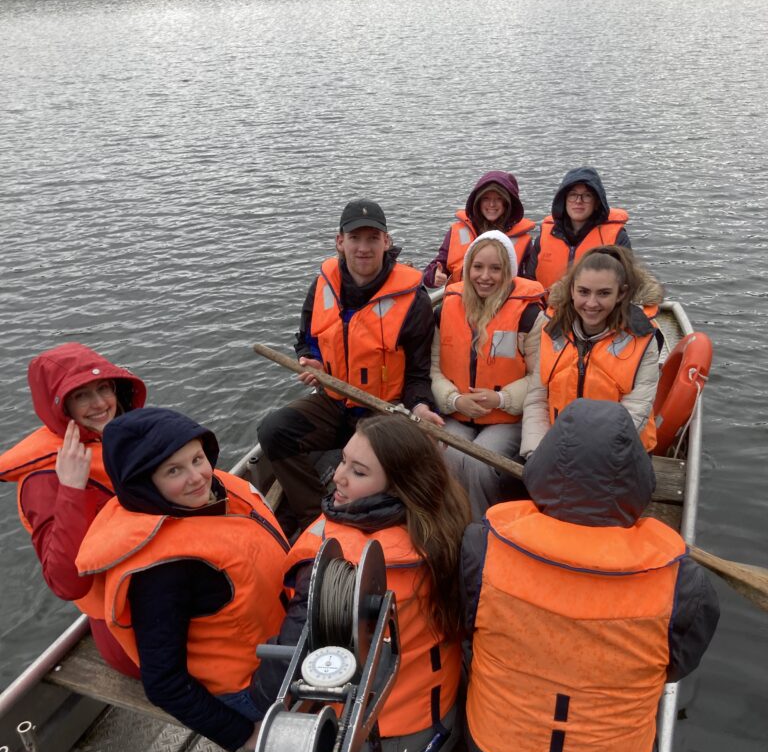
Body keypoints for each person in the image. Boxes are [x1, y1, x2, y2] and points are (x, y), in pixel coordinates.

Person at [462, 399, 719, 752]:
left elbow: (468, 628)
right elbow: (676, 668)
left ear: (543, 467)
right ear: (639, 478)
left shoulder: (481, 545)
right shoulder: (686, 582)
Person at [251, 414, 472, 752]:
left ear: (399, 486)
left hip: (374, 744)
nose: (337, 476)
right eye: (343, 460)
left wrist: (253, 707)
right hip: (440, 719)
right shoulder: (448, 522)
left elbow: (285, 669)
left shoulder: (327, 568)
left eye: (358, 472)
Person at [76, 407, 289, 752]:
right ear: (145, 483)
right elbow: (163, 683)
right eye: (174, 470)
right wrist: (242, 735)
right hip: (252, 687)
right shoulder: (164, 572)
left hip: (279, 641)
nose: (197, 478)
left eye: (197, 458)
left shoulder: (216, 495)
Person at [258, 199, 442, 533]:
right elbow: (305, 337)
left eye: (373, 238)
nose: (363, 248)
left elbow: (418, 372)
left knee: (375, 463)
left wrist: (420, 406)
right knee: (273, 431)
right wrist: (308, 358)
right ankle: (314, 514)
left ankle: (367, 518)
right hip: (333, 401)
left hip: (383, 410)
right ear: (339, 241)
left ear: (386, 242)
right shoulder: (322, 286)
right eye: (355, 238)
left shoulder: (413, 300)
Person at [0, 343, 147, 677]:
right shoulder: (44, 480)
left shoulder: (115, 438)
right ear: (59, 405)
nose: (99, 404)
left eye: (103, 388)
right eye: (80, 395)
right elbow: (67, 584)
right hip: (133, 630)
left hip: (165, 586)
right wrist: (71, 490)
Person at [429, 231, 545, 518]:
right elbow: (432, 368)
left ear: (508, 272)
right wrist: (454, 400)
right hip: (456, 411)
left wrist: (501, 398)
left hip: (506, 417)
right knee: (448, 454)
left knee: (481, 461)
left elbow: (541, 377)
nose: (485, 276)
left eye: (496, 269)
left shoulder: (529, 316)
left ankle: (481, 528)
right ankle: (448, 526)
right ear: (467, 269)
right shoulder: (445, 310)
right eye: (478, 267)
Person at [521, 245, 663, 458]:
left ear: (620, 294)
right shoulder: (551, 330)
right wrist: (537, 452)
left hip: (617, 455)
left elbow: (636, 408)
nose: (591, 303)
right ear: (572, 290)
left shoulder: (643, 338)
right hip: (558, 450)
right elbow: (537, 398)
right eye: (583, 292)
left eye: (604, 293)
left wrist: (590, 458)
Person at [423, 171, 536, 287]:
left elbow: (529, 281)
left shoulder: (524, 241)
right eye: (486, 198)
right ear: (477, 201)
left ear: (508, 203)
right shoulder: (456, 231)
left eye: (499, 199)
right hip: (461, 300)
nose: (492, 204)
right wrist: (434, 275)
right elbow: (433, 271)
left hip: (502, 302)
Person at [525, 166, 631, 290]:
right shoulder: (544, 237)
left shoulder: (618, 238)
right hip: (548, 307)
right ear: (563, 200)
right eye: (572, 195)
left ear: (597, 203)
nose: (578, 201)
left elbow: (626, 282)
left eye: (587, 196)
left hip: (594, 307)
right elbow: (530, 282)